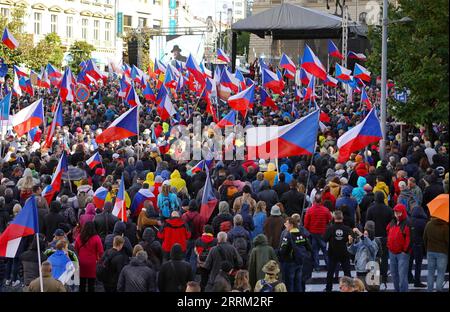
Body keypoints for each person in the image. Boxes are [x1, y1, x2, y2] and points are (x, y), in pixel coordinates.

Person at [366, 191, 393, 286]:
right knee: (384, 257)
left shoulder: (370, 209)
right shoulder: (389, 209)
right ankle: (384, 276)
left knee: (373, 257)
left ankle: (375, 276)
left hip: (373, 237)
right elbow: (391, 224)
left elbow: (367, 223)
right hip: (384, 237)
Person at [279, 217, 312, 292]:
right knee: (298, 283)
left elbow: (282, 251)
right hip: (300, 262)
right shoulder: (302, 235)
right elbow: (309, 248)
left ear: (291, 225)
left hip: (290, 262)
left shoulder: (288, 236)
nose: (285, 225)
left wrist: (281, 258)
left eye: (286, 224)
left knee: (289, 284)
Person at [323, 210, 352, 292]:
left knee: (330, 273)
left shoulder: (330, 228)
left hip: (333, 253)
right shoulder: (347, 228)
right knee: (347, 272)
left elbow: (324, 239)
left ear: (334, 217)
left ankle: (329, 288)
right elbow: (350, 240)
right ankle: (350, 288)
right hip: (344, 252)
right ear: (342, 217)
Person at [347, 221, 380, 290]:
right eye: (365, 230)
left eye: (367, 230)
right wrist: (350, 243)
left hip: (370, 270)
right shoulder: (361, 240)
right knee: (360, 289)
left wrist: (361, 235)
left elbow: (372, 248)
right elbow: (353, 251)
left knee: (372, 289)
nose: (365, 232)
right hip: (360, 269)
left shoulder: (375, 241)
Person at [304, 193, 332, 271]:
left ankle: (317, 266)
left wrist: (307, 231)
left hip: (313, 232)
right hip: (323, 232)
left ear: (314, 201)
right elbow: (329, 220)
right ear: (321, 201)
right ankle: (328, 265)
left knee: (315, 250)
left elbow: (306, 223)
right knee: (324, 249)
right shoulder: (326, 210)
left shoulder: (310, 210)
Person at [386, 204, 411, 292]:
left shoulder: (407, 223)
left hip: (402, 254)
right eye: (395, 212)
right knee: (394, 274)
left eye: (398, 213)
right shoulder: (392, 221)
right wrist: (389, 245)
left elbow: (409, 238)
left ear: (403, 212)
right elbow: (388, 231)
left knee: (402, 275)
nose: (397, 214)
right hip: (392, 252)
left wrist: (405, 250)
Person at [74, 221, 104, 292]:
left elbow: (75, 249)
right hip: (92, 263)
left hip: (81, 263)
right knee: (91, 285)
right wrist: (99, 260)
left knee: (82, 285)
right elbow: (101, 251)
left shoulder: (79, 237)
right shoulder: (96, 238)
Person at [423, 217, 449, 292]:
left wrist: (427, 248)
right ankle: (438, 289)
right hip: (442, 252)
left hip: (430, 251)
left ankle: (429, 289)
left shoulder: (428, 225)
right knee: (441, 273)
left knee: (430, 272)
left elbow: (424, 238)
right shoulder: (445, 227)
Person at [408, 203, 428, 287]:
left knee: (410, 262)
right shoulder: (424, 222)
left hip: (410, 244)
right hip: (419, 244)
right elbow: (425, 234)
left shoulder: (409, 220)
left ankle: (409, 277)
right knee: (418, 264)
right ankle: (417, 281)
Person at [195, 225, 218, 291]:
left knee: (203, 279)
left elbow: (196, 252)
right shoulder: (215, 241)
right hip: (212, 263)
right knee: (213, 279)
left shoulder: (198, 240)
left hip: (202, 263)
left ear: (204, 231)